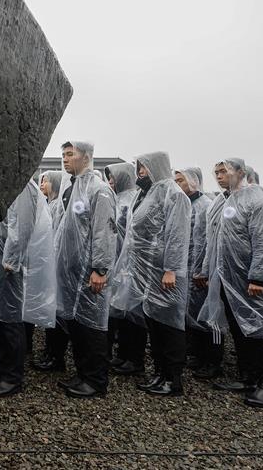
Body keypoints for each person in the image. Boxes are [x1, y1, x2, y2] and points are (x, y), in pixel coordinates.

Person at [198, 158, 263, 407]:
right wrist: (209, 271)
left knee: (261, 332)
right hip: (229, 281)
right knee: (240, 331)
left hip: (252, 282)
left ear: (241, 172)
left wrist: (258, 276)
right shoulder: (226, 201)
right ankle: (248, 377)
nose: (219, 175)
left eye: (224, 171)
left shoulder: (257, 200)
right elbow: (214, 240)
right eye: (216, 172)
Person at [112, 152, 191, 396]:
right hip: (147, 273)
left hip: (165, 275)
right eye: (138, 168)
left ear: (156, 167)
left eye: (143, 168)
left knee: (169, 327)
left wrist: (171, 269)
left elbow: (177, 235)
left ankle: (173, 379)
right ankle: (159, 374)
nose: (140, 173)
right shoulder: (146, 193)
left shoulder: (173, 194)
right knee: (155, 326)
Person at [0, 177, 57, 396]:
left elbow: (22, 226)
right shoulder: (10, 182)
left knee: (11, 320)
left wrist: (11, 259)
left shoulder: (23, 186)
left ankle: (12, 377)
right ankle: (0, 369)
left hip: (11, 265)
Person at [53, 141, 117, 398]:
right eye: (63, 155)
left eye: (70, 155)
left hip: (90, 273)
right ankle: (82, 374)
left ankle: (96, 381)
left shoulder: (99, 190)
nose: (65, 160)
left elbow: (104, 231)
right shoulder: (71, 188)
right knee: (77, 326)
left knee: (92, 329)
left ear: (86, 157)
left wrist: (100, 269)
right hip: (71, 273)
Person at [175, 167, 222, 379]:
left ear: (193, 181)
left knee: (209, 317)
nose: (177, 185)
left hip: (201, 272)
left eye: (181, 181)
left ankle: (213, 361)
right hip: (185, 270)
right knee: (190, 313)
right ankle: (196, 353)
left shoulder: (205, 206)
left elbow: (208, 242)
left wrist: (203, 271)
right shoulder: (181, 204)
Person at [104, 162, 148, 376]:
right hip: (115, 265)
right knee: (118, 313)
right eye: (109, 178)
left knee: (133, 315)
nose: (110, 181)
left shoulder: (132, 199)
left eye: (113, 177)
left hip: (129, 267)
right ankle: (122, 355)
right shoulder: (115, 198)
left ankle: (135, 358)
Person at [34, 170, 71, 372]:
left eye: (46, 180)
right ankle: (50, 352)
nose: (42, 184)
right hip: (49, 263)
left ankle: (56, 357)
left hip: (56, 265)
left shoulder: (58, 206)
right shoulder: (50, 204)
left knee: (58, 314)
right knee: (51, 312)